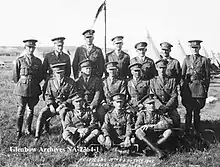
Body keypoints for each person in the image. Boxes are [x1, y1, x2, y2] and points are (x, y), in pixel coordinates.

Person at [34, 63, 76, 142]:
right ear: (54, 73)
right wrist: (50, 105)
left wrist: (63, 105)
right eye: (57, 73)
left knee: (63, 113)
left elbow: (72, 97)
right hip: (53, 105)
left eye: (61, 72)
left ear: (64, 72)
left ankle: (66, 136)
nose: (59, 75)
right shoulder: (50, 82)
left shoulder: (70, 82)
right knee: (42, 113)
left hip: (65, 105)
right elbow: (47, 95)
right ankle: (37, 136)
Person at [12, 39, 43, 140]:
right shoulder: (19, 60)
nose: (31, 49)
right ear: (25, 48)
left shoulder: (38, 61)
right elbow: (15, 77)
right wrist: (23, 83)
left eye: (33, 47)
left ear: (34, 48)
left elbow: (40, 76)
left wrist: (33, 82)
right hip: (22, 88)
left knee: (30, 110)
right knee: (21, 110)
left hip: (33, 88)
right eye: (29, 47)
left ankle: (28, 129)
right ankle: (18, 131)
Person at [181, 40, 210, 135]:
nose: (195, 49)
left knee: (197, 111)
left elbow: (207, 76)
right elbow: (182, 75)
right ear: (190, 48)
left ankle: (197, 131)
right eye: (193, 48)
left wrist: (205, 89)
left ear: (199, 48)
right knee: (188, 111)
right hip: (188, 89)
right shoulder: (186, 59)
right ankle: (187, 131)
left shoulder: (204, 60)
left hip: (199, 89)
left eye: (196, 47)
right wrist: (183, 89)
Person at [149, 59, 180, 128]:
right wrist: (160, 106)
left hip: (170, 108)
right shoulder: (153, 81)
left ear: (166, 68)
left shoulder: (172, 80)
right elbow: (153, 96)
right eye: (160, 68)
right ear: (157, 68)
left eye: (164, 68)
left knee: (175, 122)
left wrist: (167, 107)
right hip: (158, 108)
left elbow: (174, 95)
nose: (162, 70)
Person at [76, 59, 104, 124]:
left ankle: (101, 127)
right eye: (86, 68)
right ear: (82, 70)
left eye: (89, 68)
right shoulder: (78, 81)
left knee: (101, 113)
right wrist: (82, 104)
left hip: (94, 103)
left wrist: (93, 105)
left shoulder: (97, 80)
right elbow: (77, 94)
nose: (88, 70)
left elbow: (98, 94)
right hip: (82, 104)